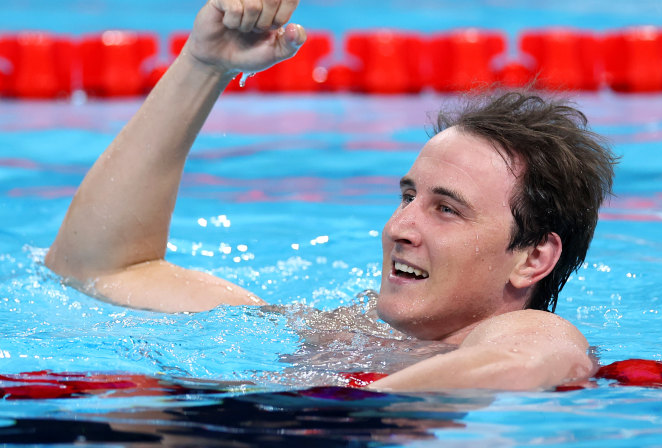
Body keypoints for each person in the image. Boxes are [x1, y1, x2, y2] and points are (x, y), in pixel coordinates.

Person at [44, 0, 616, 391]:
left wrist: (321, 420)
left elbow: (531, 362)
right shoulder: (339, 334)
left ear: (533, 258)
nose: (399, 227)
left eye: (446, 209)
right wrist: (202, 65)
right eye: (408, 196)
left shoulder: (521, 334)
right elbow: (100, 267)